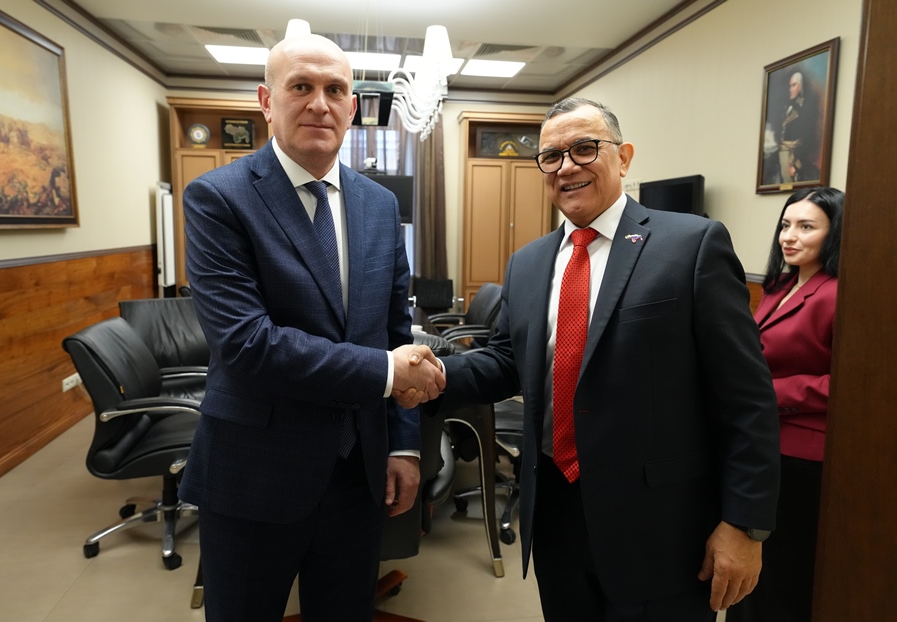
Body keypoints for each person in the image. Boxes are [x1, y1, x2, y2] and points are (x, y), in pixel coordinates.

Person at [435, 98, 781, 621]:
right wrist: (434, 373)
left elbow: (746, 397)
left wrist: (744, 525)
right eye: (551, 156)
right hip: (555, 513)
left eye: (584, 148)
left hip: (660, 527)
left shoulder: (691, 245)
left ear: (624, 157)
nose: (566, 166)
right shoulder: (528, 263)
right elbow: (506, 362)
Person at [179, 34, 444, 622]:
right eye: (301, 86)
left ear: (353, 108)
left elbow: (395, 331)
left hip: (357, 475)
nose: (319, 103)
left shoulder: (379, 204)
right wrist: (386, 371)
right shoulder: (218, 198)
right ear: (266, 101)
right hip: (254, 474)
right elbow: (247, 344)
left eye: (335, 90)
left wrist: (402, 444)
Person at [727, 187, 843, 622]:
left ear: (835, 234)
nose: (789, 236)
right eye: (785, 225)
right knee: (755, 572)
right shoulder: (779, 285)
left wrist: (771, 395)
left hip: (803, 455)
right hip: (764, 443)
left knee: (782, 574)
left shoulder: (839, 294)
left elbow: (851, 385)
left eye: (806, 227)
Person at [779, 72, 820, 183]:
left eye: (794, 85)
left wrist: (795, 164)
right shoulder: (787, 107)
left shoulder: (805, 108)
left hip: (796, 156)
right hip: (784, 153)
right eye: (790, 86)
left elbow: (806, 137)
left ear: (800, 86)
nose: (790, 89)